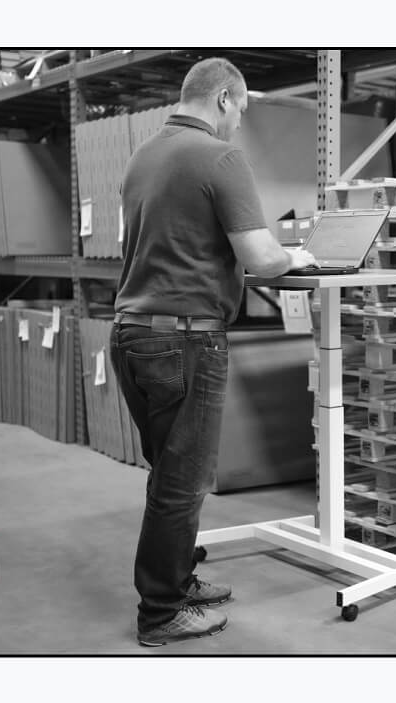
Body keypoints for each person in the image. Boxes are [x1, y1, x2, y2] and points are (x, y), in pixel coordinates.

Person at [109, 57, 317, 647]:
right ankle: (161, 613)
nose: (238, 126)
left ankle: (178, 579)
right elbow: (259, 258)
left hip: (132, 332)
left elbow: (176, 242)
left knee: (168, 475)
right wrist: (295, 256)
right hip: (184, 338)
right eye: (241, 112)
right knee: (183, 481)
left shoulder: (144, 155)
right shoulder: (219, 157)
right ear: (224, 99)